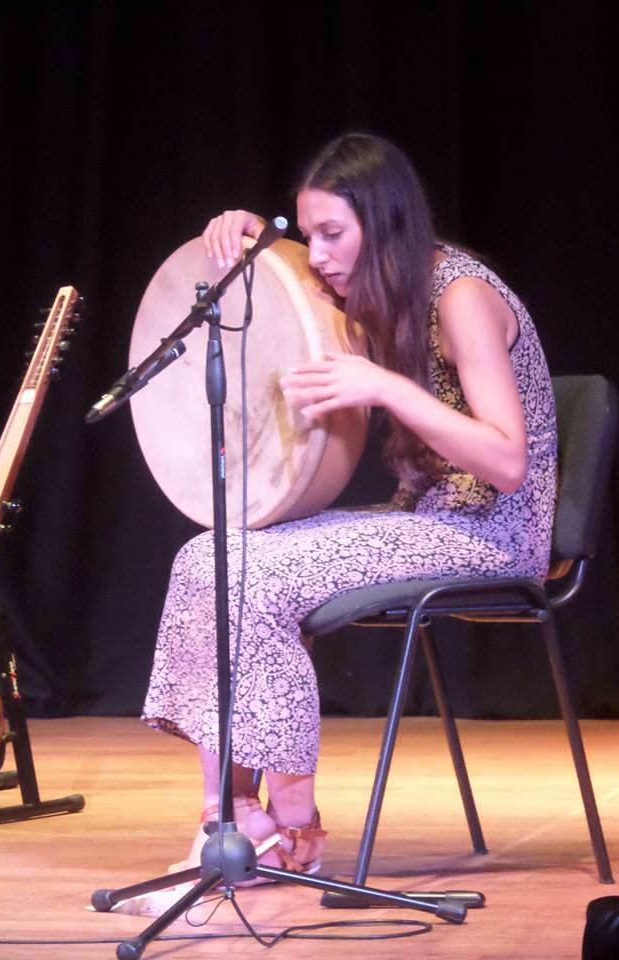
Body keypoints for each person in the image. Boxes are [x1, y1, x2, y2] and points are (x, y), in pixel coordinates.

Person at [142, 132, 557, 876]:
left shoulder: (461, 296)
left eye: (333, 233)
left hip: (489, 532)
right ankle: (229, 815)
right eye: (309, 236)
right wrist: (261, 242)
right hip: (424, 521)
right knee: (209, 556)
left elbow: (507, 461)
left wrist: (385, 387)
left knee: (256, 575)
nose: (320, 256)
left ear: (387, 220)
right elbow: (293, 289)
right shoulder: (379, 294)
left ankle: (293, 822)